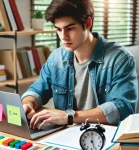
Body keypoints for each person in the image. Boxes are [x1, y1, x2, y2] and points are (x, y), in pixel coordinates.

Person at [21, 0, 138, 129]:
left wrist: (69, 116)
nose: (63, 37)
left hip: (104, 137)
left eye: (69, 28)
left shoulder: (120, 59)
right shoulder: (56, 58)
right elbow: (37, 90)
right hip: (64, 135)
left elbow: (124, 107)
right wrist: (28, 104)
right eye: (58, 29)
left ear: (87, 23)